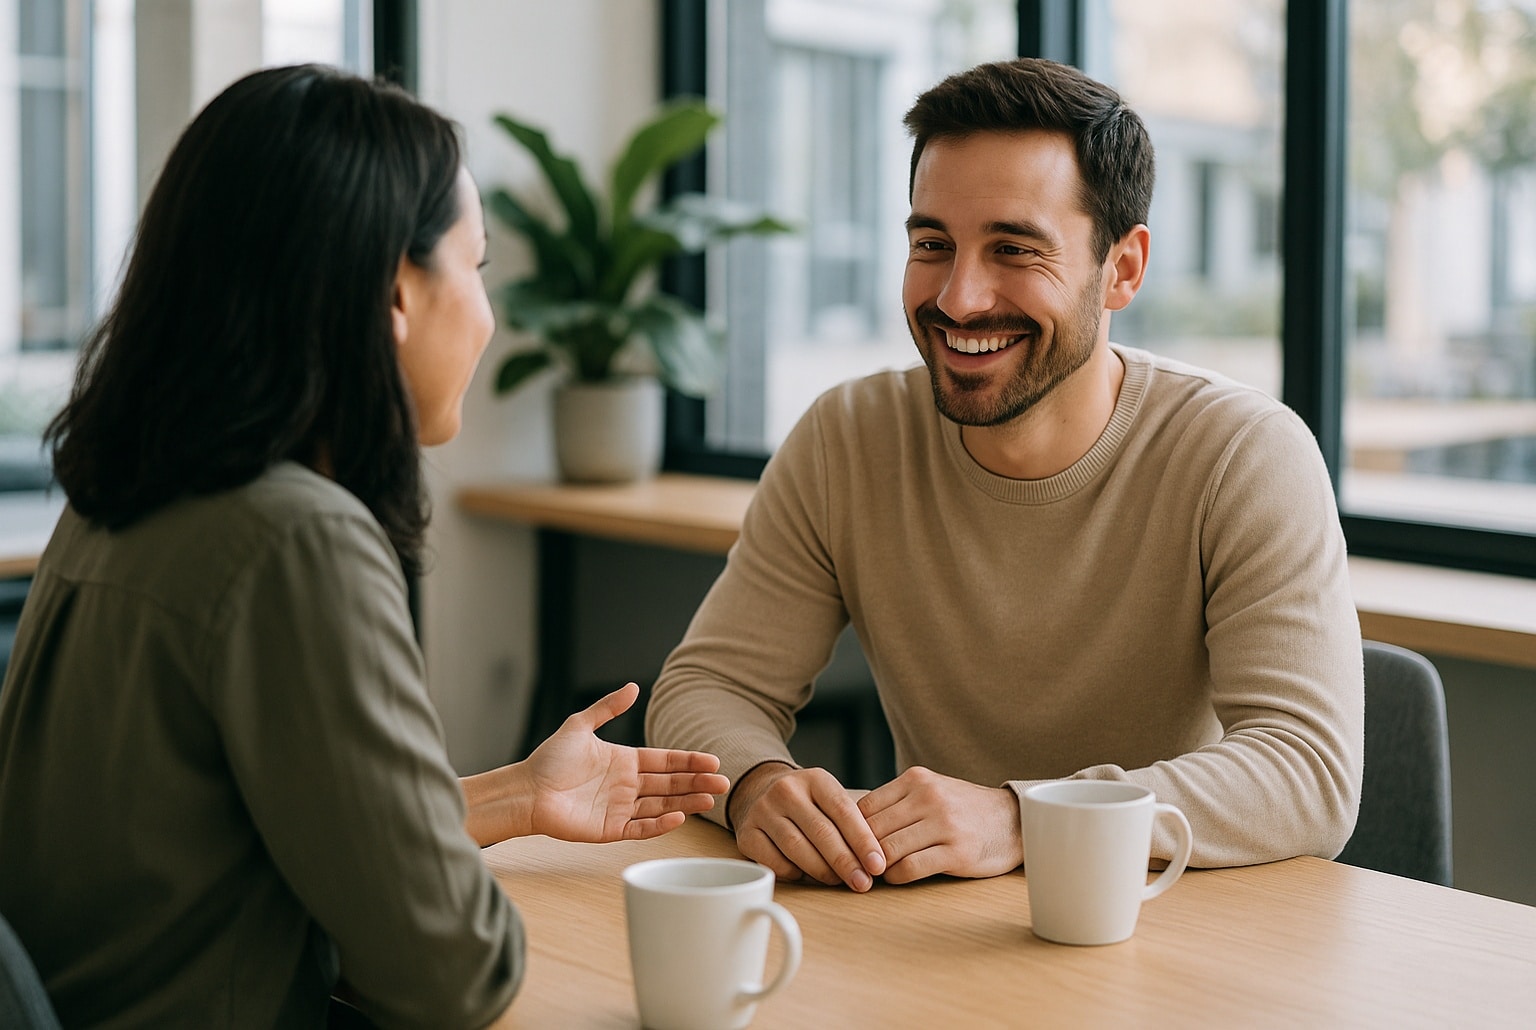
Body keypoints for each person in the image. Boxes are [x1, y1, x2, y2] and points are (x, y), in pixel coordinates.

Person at [0, 64, 729, 1028]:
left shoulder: (124, 502)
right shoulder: (295, 540)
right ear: (394, 290)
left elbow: (231, 841)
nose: (489, 315)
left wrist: (511, 795)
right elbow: (459, 970)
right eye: (474, 268)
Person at [646, 57, 1363, 893]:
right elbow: (709, 685)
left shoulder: (1243, 454)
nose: (959, 297)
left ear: (1123, 269)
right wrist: (758, 786)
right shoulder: (848, 438)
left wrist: (1025, 816)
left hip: (1167, 929)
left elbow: (1308, 774)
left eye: (1013, 249)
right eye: (932, 245)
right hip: (940, 939)